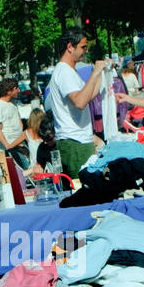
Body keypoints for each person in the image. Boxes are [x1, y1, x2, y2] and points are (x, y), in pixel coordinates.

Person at [45, 27, 107, 178]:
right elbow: (80, 102)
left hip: (79, 140)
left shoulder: (70, 71)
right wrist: (95, 73)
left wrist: (101, 73)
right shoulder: (64, 71)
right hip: (74, 141)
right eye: (83, 47)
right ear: (70, 47)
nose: (86, 51)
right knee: (84, 190)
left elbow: (89, 96)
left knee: (89, 188)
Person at [0, 77, 28, 168]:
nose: (19, 90)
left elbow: (19, 122)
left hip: (20, 144)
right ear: (9, 91)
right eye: (16, 88)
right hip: (10, 147)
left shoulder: (13, 103)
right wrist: (7, 146)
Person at [21, 107, 58, 175]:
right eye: (43, 139)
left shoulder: (61, 145)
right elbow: (39, 166)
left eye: (49, 139)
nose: (45, 142)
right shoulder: (42, 147)